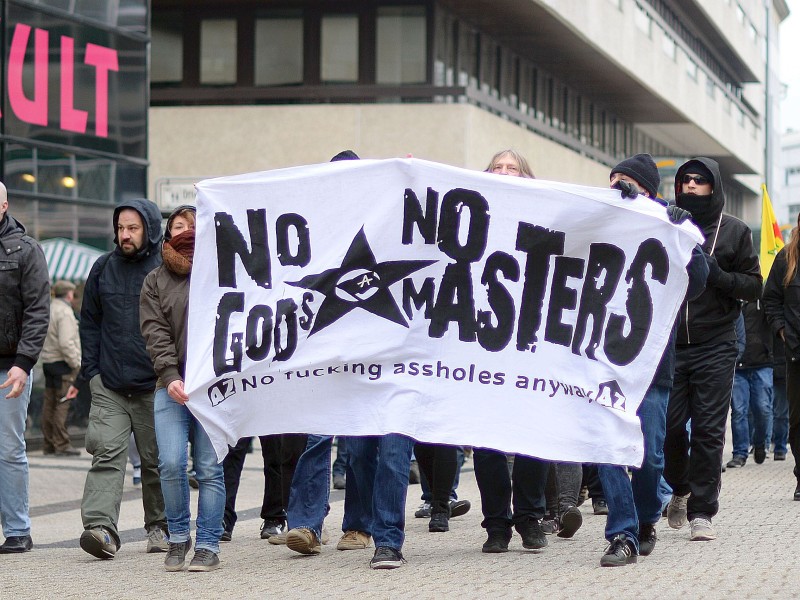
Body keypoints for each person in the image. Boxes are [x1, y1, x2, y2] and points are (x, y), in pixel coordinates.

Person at [596, 154, 708, 566]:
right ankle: (621, 535)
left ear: (649, 191)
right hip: (602, 362)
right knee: (610, 449)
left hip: (652, 366)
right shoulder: (600, 221)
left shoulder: (667, 224)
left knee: (650, 456)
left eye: (628, 183)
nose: (618, 189)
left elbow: (697, 283)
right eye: (613, 182)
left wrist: (678, 229)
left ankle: (645, 521)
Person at [663, 157, 761, 541]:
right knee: (668, 428)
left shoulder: (734, 231)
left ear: (713, 187)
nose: (690, 186)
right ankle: (681, 488)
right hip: (670, 344)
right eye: (684, 180)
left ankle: (702, 511)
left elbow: (753, 286)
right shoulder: (665, 222)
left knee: (707, 430)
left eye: (699, 181)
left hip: (717, 343)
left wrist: (718, 275)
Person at [78, 198, 168, 559]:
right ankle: (100, 529)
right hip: (110, 386)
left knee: (157, 460)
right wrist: (93, 374)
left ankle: (160, 527)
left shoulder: (166, 267)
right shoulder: (102, 268)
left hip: (156, 383)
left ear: (148, 227)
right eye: (120, 228)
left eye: (132, 228)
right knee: (106, 455)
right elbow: (89, 323)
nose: (125, 235)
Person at [140, 205, 225, 571]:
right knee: (171, 463)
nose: (187, 231)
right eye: (179, 226)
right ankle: (178, 538)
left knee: (209, 467)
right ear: (168, 234)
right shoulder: (155, 280)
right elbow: (154, 331)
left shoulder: (222, 271)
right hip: (169, 384)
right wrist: (171, 374)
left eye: (194, 225)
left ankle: (208, 544)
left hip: (213, 388)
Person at [475, 149, 549, 554]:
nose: (504, 172)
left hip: (531, 340)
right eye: (497, 167)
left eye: (512, 167)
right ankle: (496, 525)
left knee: (531, 433)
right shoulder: (474, 220)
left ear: (527, 176)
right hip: (481, 341)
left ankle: (530, 518)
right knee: (487, 438)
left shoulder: (545, 215)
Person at [0, 182, 50, 554]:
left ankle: (18, 530)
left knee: (8, 448)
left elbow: (37, 311)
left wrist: (23, 363)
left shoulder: (26, 250)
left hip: (9, 367)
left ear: (3, 206)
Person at [764, 211, 800, 500]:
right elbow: (771, 299)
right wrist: (782, 331)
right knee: (797, 419)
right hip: (796, 353)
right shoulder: (786, 258)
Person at [727, 298, 773, 468]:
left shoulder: (762, 298)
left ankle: (760, 443)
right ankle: (739, 453)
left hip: (763, 362)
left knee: (763, 408)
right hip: (737, 365)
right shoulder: (729, 297)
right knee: (739, 410)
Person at [39, 280, 81, 456]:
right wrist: (76, 362)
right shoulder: (64, 312)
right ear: (69, 294)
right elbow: (66, 342)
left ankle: (48, 443)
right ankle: (61, 444)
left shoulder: (48, 309)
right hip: (63, 363)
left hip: (48, 362)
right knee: (62, 404)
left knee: (49, 404)